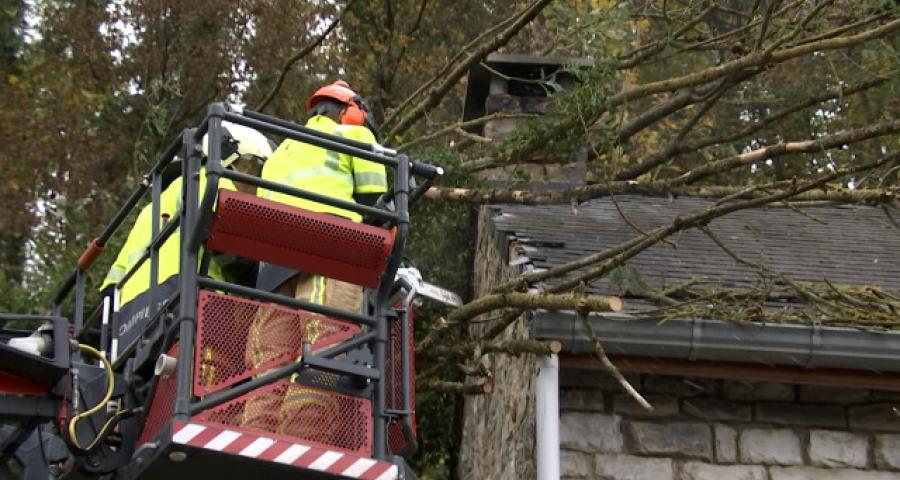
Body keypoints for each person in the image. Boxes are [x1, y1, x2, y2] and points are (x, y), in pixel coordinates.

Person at [241, 81, 387, 446]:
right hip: (330, 250)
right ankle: (302, 443)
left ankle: (256, 445)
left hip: (275, 268)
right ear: (350, 112)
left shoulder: (280, 153)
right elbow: (376, 196)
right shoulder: (353, 135)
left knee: (270, 367)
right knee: (326, 348)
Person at [99, 122, 272, 360]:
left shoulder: (151, 210)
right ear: (226, 156)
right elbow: (230, 245)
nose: (254, 182)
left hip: (130, 322)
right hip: (188, 299)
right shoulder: (208, 179)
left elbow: (110, 288)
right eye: (252, 167)